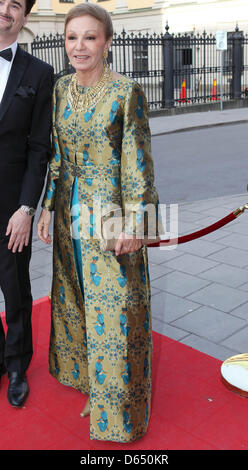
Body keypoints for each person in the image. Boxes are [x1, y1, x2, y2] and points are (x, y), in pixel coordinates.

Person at [37, 2, 159, 443]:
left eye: (90, 37)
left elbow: (138, 165)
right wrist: (48, 204)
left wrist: (135, 225)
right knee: (76, 299)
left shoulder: (126, 92)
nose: (79, 46)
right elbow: (55, 154)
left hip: (109, 217)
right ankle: (91, 383)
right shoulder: (59, 88)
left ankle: (119, 411)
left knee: (115, 310)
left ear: (107, 42)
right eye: (72, 38)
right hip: (70, 213)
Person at [0, 0, 53, 407]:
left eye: (14, 4)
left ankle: (17, 364)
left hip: (11, 206)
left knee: (15, 287)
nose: (4, 10)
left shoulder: (40, 73)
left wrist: (26, 208)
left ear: (24, 16)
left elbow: (39, 149)